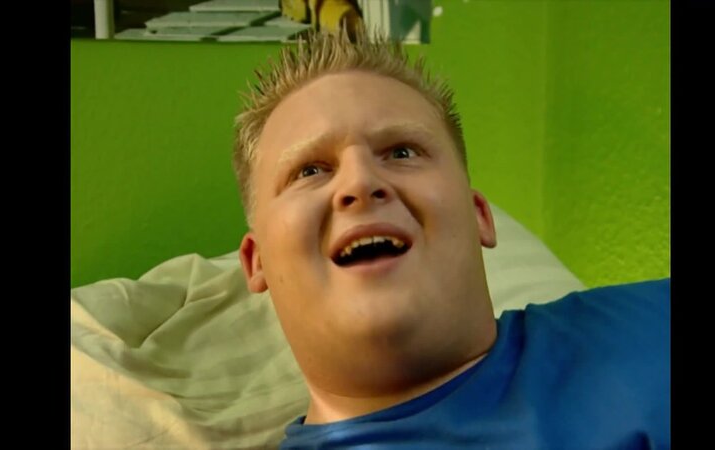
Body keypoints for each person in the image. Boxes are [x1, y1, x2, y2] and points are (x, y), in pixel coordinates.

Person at [233, 29, 670, 449]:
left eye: (402, 152)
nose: (360, 182)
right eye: (310, 170)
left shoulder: (653, 322)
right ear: (258, 262)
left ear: (480, 216)